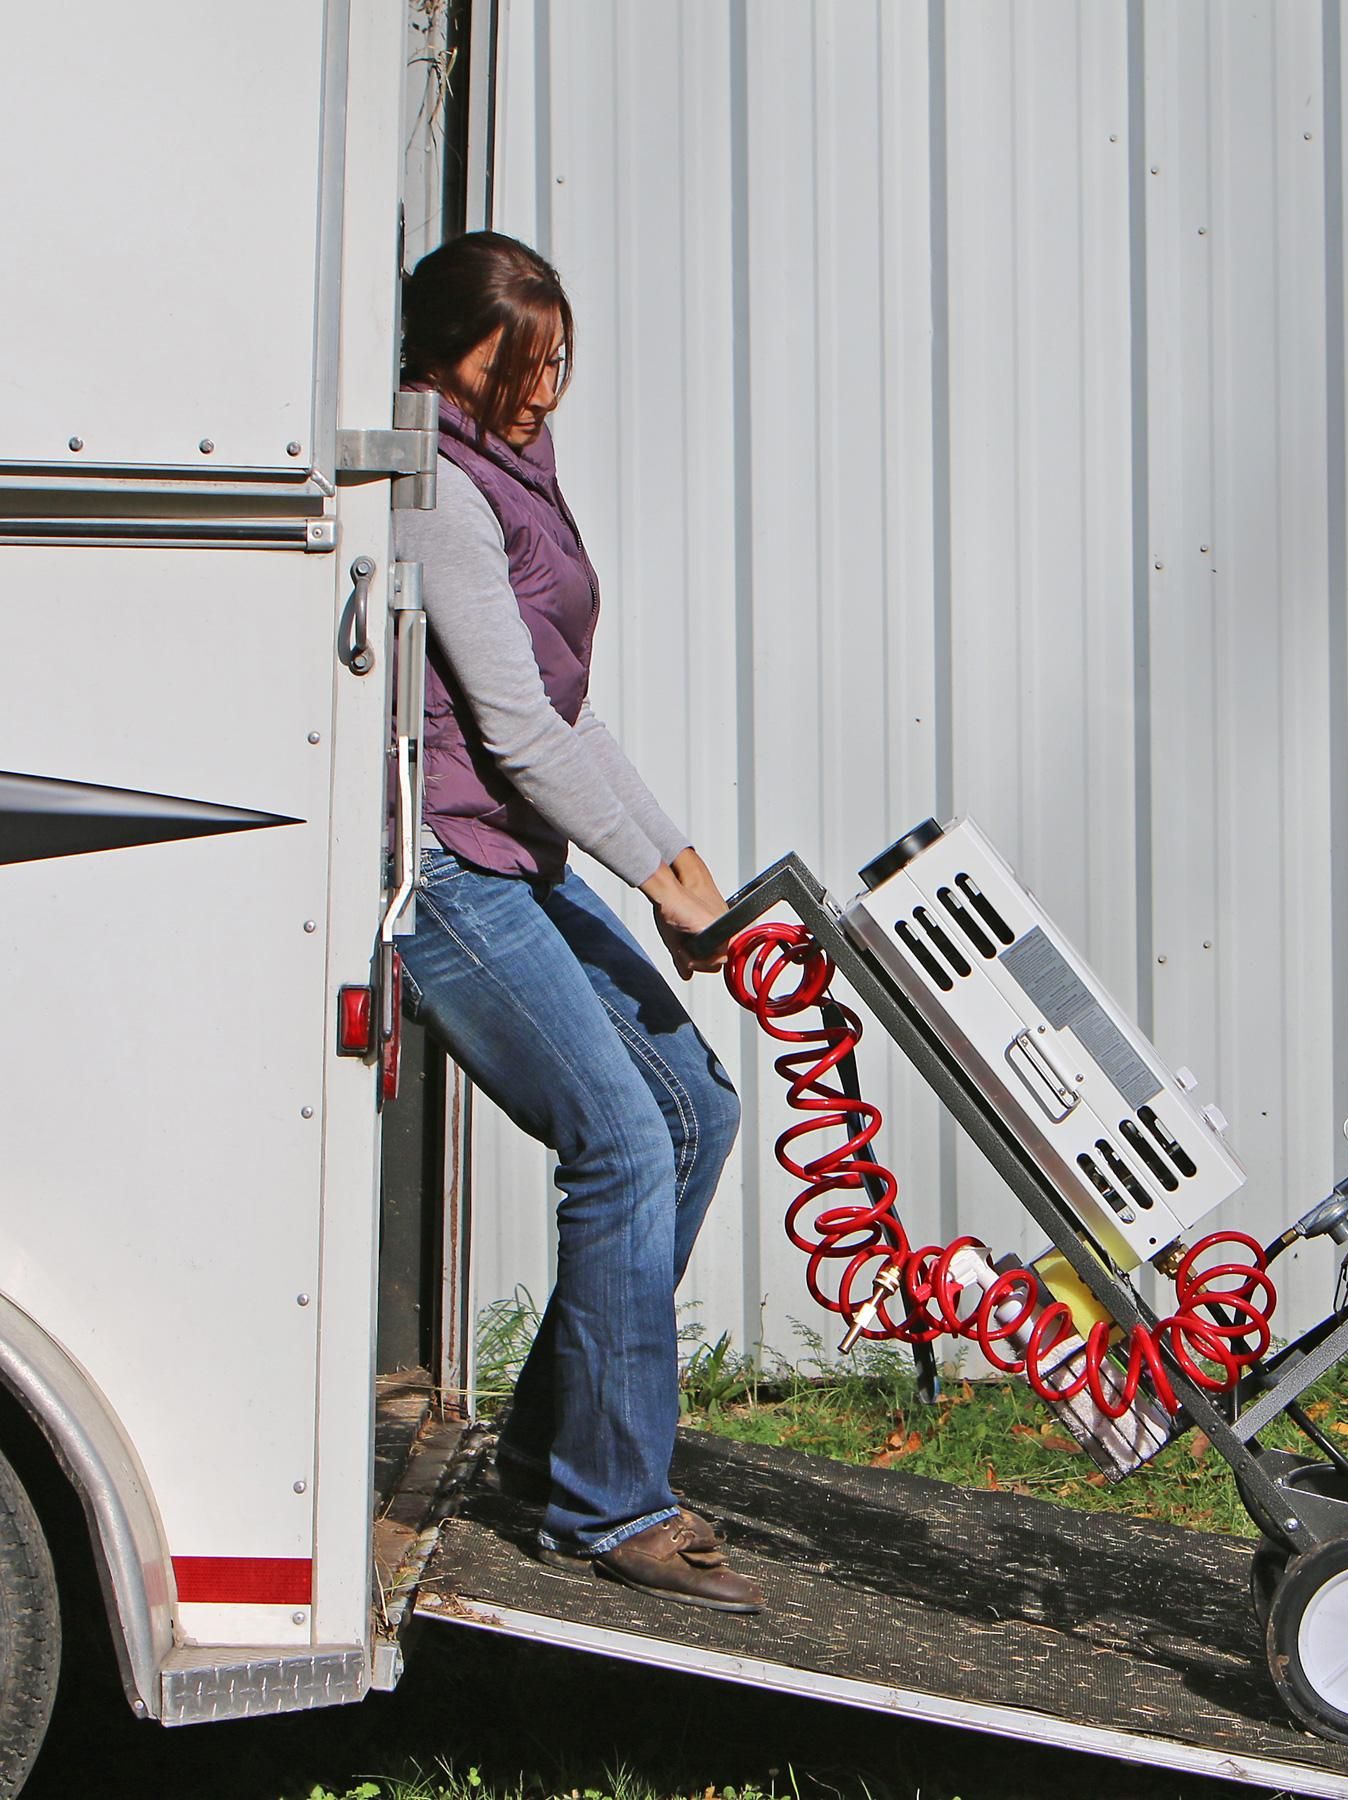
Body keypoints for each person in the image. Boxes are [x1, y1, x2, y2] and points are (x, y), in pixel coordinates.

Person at [393, 230, 758, 1613]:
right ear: (445, 351)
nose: (542, 393)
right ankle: (610, 1503)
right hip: (444, 865)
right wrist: (658, 879)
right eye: (517, 365)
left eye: (555, 365)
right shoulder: (434, 476)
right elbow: (514, 732)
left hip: (517, 852)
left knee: (694, 1110)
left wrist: (677, 856)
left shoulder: (512, 468)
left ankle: (554, 1446)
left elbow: (570, 717)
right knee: (616, 1131)